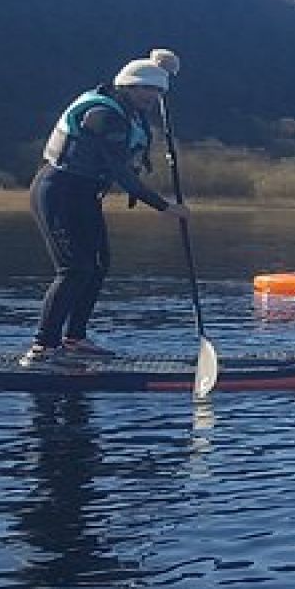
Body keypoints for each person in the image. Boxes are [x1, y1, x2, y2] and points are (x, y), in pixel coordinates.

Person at [21, 50, 191, 366]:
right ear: (127, 86)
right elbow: (120, 172)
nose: (151, 97)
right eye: (145, 90)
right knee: (75, 269)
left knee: (98, 265)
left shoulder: (130, 114)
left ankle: (75, 339)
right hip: (58, 191)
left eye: (156, 91)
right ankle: (43, 347)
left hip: (84, 194)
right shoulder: (103, 114)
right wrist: (164, 207)